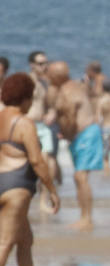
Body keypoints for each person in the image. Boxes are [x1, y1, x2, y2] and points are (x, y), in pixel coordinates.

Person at [1, 73, 59, 266]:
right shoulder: (24, 123)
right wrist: (52, 190)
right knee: (4, 242)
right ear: (24, 98)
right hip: (16, 188)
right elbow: (36, 161)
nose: (31, 103)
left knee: (25, 240)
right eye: (31, 98)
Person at [50, 61, 101, 231]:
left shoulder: (67, 90)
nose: (48, 78)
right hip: (80, 136)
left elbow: (70, 115)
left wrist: (66, 131)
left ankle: (87, 218)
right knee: (78, 177)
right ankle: (83, 216)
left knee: (81, 177)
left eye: (50, 75)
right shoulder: (74, 86)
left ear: (57, 76)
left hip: (85, 134)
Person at [26, 52, 59, 214]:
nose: (44, 66)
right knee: (28, 163)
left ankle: (44, 198)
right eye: (40, 63)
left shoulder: (46, 84)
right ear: (32, 65)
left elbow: (52, 104)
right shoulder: (25, 81)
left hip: (43, 126)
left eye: (45, 63)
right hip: (28, 125)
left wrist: (52, 113)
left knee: (49, 162)